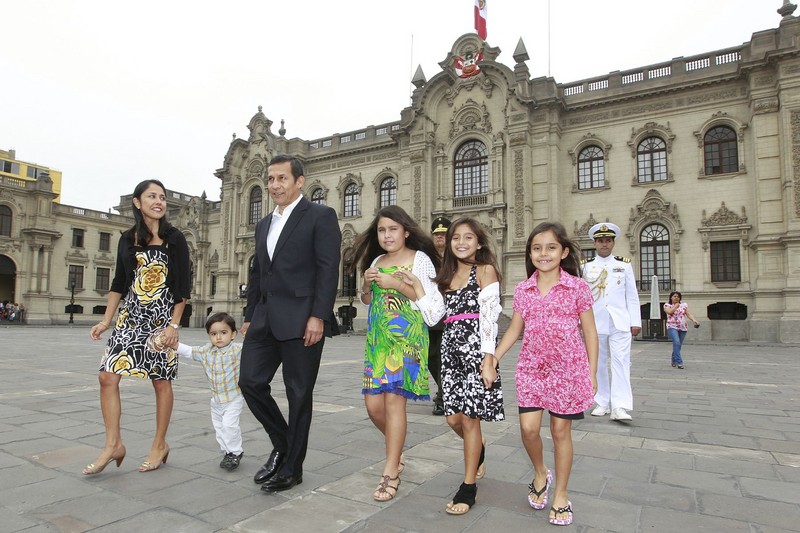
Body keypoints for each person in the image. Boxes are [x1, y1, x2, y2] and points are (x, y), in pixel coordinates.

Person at [239, 154, 342, 493]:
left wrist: (318, 316)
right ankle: (283, 442)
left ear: (299, 181)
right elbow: (257, 272)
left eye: (281, 178)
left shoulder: (320, 216)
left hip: (302, 320)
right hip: (265, 319)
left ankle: (292, 468)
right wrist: (250, 315)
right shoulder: (264, 224)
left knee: (299, 395)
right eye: (270, 179)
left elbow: (328, 269)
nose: (274, 185)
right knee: (250, 382)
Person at [493, 222, 598, 527]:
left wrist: (591, 373)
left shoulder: (577, 287)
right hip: (531, 369)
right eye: (537, 248)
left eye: (551, 247)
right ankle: (541, 471)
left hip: (568, 370)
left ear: (564, 251)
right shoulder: (524, 289)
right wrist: (495, 357)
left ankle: (561, 494)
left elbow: (590, 332)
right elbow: (515, 329)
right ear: (530, 253)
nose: (544, 254)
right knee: (528, 429)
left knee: (560, 432)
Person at [86, 179, 191, 475]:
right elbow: (119, 282)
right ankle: (113, 444)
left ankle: (159, 444)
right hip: (131, 317)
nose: (158, 201)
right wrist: (106, 320)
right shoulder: (127, 238)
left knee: (161, 381)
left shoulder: (175, 238)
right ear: (137, 202)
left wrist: (174, 325)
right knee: (107, 377)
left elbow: (183, 285)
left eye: (162, 197)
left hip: (161, 320)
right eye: (152, 196)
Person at [401, 216, 504, 516]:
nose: (461, 242)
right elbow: (434, 318)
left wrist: (489, 358)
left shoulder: (485, 271)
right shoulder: (445, 277)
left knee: (470, 419)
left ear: (479, 243)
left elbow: (489, 317)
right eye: (456, 237)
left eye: (468, 238)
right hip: (450, 351)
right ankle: (479, 449)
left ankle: (468, 486)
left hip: (475, 350)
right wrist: (418, 288)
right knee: (453, 420)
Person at [348, 205, 440, 502]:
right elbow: (367, 301)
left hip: (407, 340)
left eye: (393, 229)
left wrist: (396, 284)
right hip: (378, 343)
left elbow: (429, 302)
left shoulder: (420, 260)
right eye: (382, 230)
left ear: (406, 232)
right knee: (374, 408)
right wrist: (365, 285)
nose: (387, 235)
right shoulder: (376, 260)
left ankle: (391, 471)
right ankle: (396, 449)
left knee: (393, 404)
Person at [582, 222, 641, 422]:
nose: (604, 244)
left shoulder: (624, 265)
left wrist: (636, 321)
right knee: (597, 364)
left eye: (608, 241)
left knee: (621, 363)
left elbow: (631, 295)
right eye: (600, 241)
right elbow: (581, 297)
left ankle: (621, 406)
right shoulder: (586, 266)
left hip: (620, 322)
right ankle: (602, 402)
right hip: (595, 323)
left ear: (613, 243)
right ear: (595, 243)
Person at [176, 312, 244, 470]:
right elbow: (189, 351)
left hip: (234, 398)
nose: (218, 337)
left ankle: (235, 452)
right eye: (213, 334)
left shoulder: (238, 350)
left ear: (233, 334)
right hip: (216, 400)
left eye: (223, 333)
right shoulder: (206, 352)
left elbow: (256, 349)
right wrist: (172, 344)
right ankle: (227, 452)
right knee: (219, 428)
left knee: (229, 426)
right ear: (209, 336)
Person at [428, 215, 451, 416]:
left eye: (443, 234)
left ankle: (444, 396)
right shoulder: (427, 259)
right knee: (430, 356)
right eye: (437, 235)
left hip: (451, 315)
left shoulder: (457, 258)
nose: (440, 238)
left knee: (444, 357)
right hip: (430, 315)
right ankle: (446, 389)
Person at [663, 291, 699, 369]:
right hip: (672, 326)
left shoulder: (683, 306)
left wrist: (694, 320)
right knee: (676, 342)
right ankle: (679, 362)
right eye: (674, 296)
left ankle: (673, 360)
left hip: (682, 327)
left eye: (678, 297)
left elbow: (688, 314)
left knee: (678, 345)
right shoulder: (667, 305)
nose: (676, 298)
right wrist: (675, 306)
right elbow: (669, 312)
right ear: (671, 297)